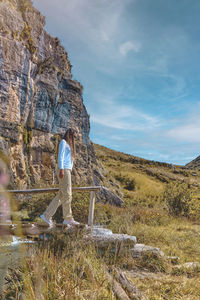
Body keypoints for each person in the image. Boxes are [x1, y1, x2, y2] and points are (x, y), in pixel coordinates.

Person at [40, 128, 80, 226]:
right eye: (75, 135)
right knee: (67, 194)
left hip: (67, 170)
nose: (75, 137)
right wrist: (61, 169)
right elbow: (60, 156)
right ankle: (68, 218)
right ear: (70, 134)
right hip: (64, 170)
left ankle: (46, 215)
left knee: (62, 195)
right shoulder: (63, 142)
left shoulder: (69, 144)